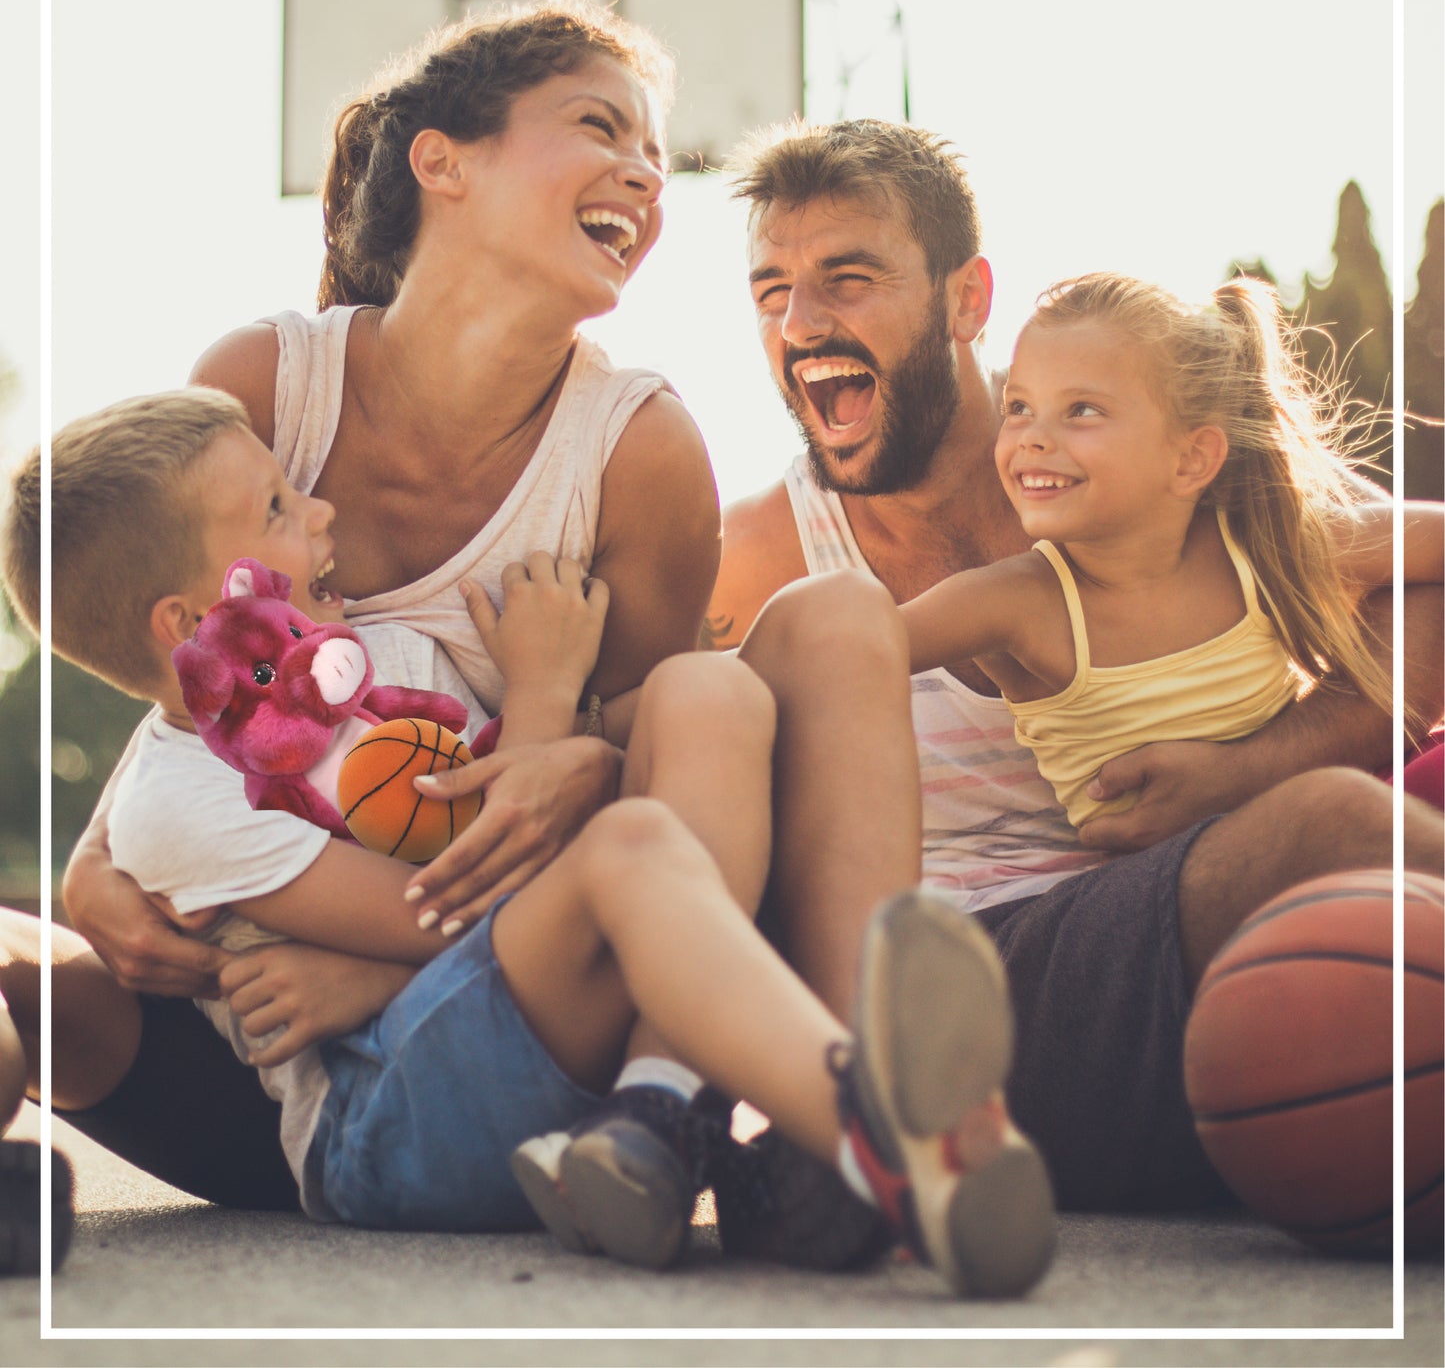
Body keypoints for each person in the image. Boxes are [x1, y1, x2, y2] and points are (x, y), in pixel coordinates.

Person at [2, 387, 1055, 1297]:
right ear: (185, 616)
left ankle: (674, 1111)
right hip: (386, 1121)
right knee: (631, 847)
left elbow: (519, 814)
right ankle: (881, 1128)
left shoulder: (385, 655)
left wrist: (617, 717)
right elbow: (451, 906)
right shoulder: (170, 801)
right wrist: (547, 697)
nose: (318, 509)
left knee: (705, 688)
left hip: (506, 1035)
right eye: (276, 507)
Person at [52, 0, 720, 1211]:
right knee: (27, 969)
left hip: (493, 991)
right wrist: (97, 859)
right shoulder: (267, 386)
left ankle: (693, 1106)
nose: (644, 172)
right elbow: (182, 662)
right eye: (598, 124)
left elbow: (666, 767)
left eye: (658, 155)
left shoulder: (639, 451)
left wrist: (562, 728)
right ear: (440, 161)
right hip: (260, 1028)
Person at [708, 118, 1445, 1213]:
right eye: (771, 290)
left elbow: (1410, 568)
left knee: (1356, 876)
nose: (800, 321)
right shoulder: (762, 551)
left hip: (1188, 928)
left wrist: (1242, 768)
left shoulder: (1130, 462)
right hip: (971, 984)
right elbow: (668, 732)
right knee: (1337, 829)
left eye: (846, 279)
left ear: (967, 299)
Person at [899, 270, 1445, 829]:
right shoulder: (1010, 601)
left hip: (1329, 812)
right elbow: (853, 647)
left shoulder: (1256, 550)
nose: (1031, 437)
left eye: (1082, 409)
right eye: (1017, 406)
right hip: (1185, 875)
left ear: (1191, 460)